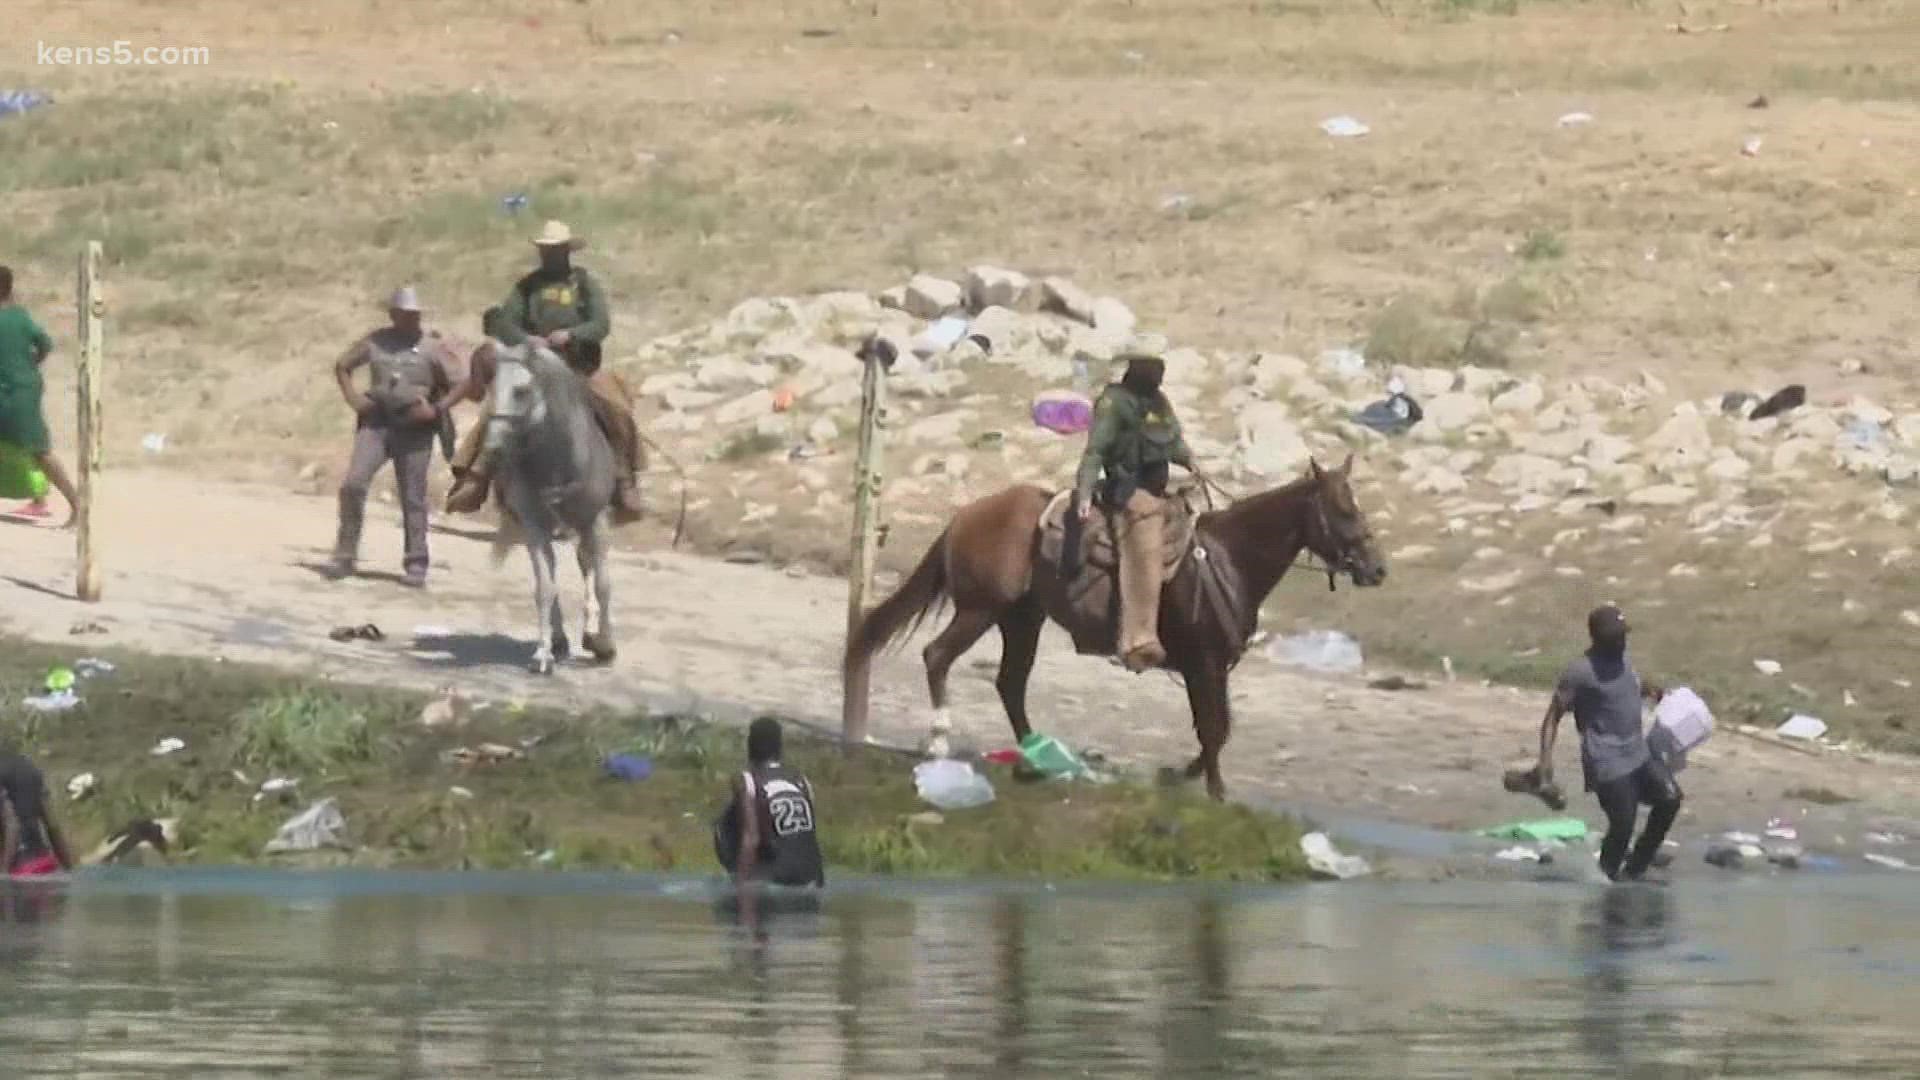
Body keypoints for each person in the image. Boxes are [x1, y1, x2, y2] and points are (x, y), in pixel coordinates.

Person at [445, 220, 645, 522]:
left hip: (579, 366)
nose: (549, 255)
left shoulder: (584, 283)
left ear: (566, 251)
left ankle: (622, 476)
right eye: (545, 250)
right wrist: (527, 339)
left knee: (615, 405)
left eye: (555, 250)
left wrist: (573, 334)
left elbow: (600, 323)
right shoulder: (527, 287)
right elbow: (504, 323)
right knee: (499, 409)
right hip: (535, 366)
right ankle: (477, 474)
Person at [1072, 347, 1200, 672]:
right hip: (1127, 490)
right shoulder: (1114, 402)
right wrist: (1085, 491)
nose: (1160, 371)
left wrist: (1191, 460)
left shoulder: (1159, 401)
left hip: (1159, 487)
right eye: (1154, 366)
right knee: (1145, 534)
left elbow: (1172, 441)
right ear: (1137, 367)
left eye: (1161, 366)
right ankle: (1137, 640)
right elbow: (1095, 450)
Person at [326, 287, 461, 588]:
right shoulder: (376, 341)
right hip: (377, 421)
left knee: (412, 495)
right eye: (404, 314)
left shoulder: (432, 347)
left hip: (414, 425)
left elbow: (461, 383)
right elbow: (343, 365)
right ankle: (345, 554)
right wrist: (354, 399)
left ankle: (416, 562)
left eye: (414, 315)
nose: (410, 320)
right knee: (353, 483)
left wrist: (437, 410)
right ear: (393, 314)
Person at [1537, 605, 1681, 882]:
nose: (1621, 642)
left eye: (1623, 636)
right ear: (1597, 639)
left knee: (1670, 799)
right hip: (1607, 763)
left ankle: (1636, 867)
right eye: (1615, 638)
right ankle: (1605, 880)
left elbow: (1632, 683)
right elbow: (1552, 718)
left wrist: (1654, 691)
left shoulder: (1623, 660)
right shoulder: (1580, 672)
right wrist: (1545, 761)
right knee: (1623, 823)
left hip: (1639, 754)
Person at [0, 266, 81, 527]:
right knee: (37, 450)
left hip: (14, 392)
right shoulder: (21, 317)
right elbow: (45, 344)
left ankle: (76, 504)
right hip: (25, 387)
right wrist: (30, 364)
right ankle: (59, 502)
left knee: (39, 451)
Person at [713, 717, 825, 889]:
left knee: (723, 823)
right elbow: (810, 836)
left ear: (750, 746)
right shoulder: (801, 781)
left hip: (775, 877)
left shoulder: (749, 780)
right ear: (780, 748)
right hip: (810, 876)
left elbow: (751, 838)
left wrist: (742, 886)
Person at [0, 750, 74, 878]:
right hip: (46, 865)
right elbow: (52, 824)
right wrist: (70, 870)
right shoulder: (28, 766)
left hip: (17, 872)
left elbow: (13, 826)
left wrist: (3, 875)